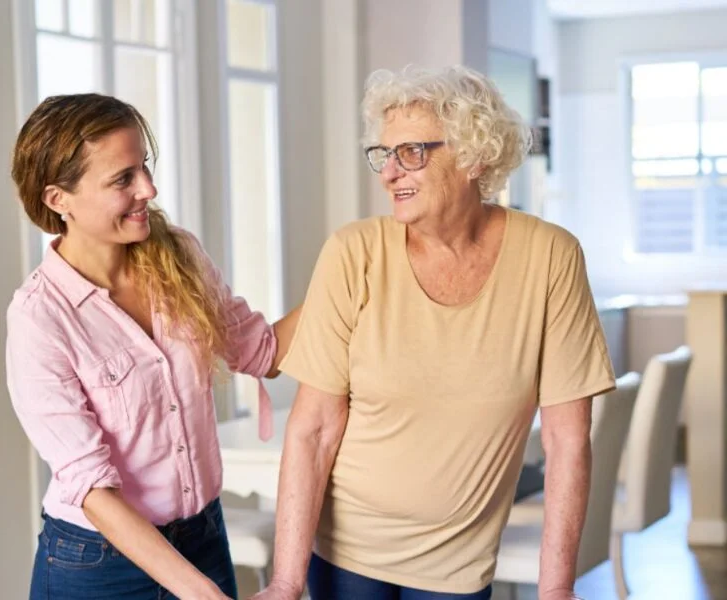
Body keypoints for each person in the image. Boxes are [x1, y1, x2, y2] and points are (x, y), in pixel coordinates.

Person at [252, 65, 615, 600]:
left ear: (474, 155)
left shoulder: (549, 257)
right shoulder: (354, 252)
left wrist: (556, 590)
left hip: (460, 562)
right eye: (384, 154)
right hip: (346, 550)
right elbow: (314, 430)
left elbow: (566, 439)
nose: (389, 173)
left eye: (411, 152)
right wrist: (286, 581)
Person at [6, 93, 299, 600]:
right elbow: (92, 487)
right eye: (123, 179)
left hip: (203, 538)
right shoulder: (40, 317)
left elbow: (263, 352)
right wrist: (200, 592)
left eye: (144, 166)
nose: (149, 188)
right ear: (58, 199)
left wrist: (352, 269)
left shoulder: (179, 254)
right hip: (97, 566)